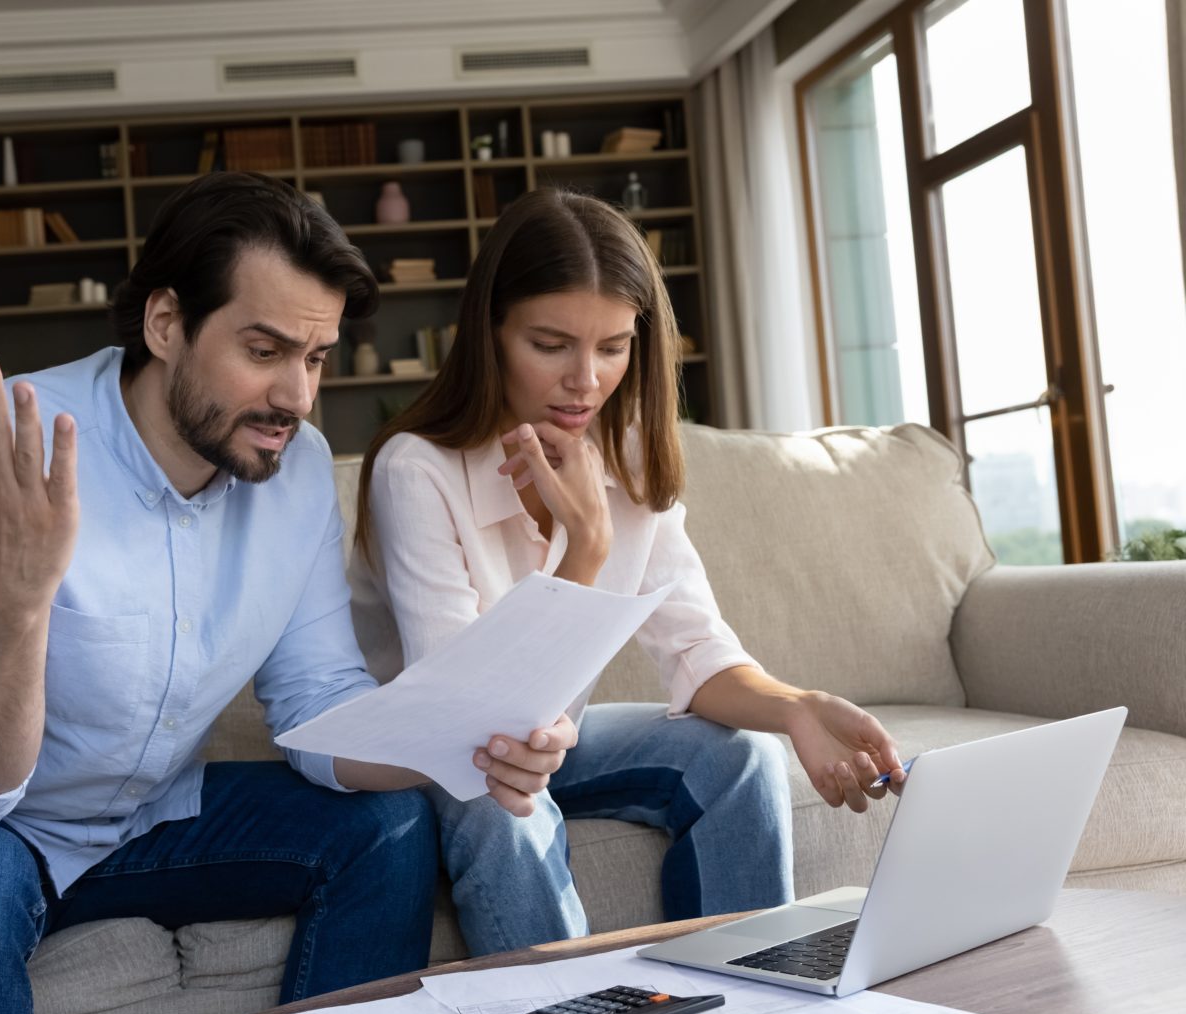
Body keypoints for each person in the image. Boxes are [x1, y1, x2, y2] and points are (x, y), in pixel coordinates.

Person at [0, 173, 569, 1014]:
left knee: (385, 824)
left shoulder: (295, 471)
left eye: (315, 358)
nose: (297, 396)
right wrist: (14, 606)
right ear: (165, 324)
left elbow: (319, 703)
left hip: (144, 820)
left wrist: (472, 742)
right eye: (264, 350)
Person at [348, 187, 909, 957]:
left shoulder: (633, 457)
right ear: (491, 333)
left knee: (741, 755)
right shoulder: (418, 470)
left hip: (553, 739)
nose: (586, 379)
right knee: (501, 801)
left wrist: (797, 707)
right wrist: (585, 541)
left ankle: (755, 1001)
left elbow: (697, 652)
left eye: (613, 347)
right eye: (551, 345)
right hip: (449, 760)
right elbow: (475, 715)